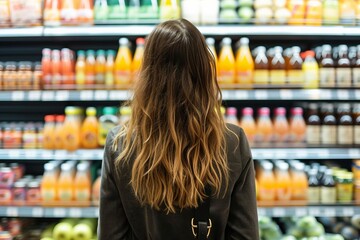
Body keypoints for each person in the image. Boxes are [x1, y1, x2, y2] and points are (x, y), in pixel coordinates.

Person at [99, 19, 259, 240]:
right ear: (205, 71)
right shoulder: (232, 141)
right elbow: (245, 235)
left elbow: (111, 235)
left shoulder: (120, 143)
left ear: (148, 73)